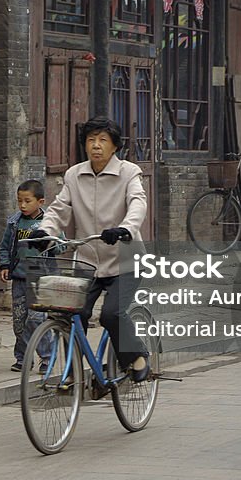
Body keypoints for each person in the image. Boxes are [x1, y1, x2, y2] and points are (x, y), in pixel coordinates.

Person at [30, 116, 151, 382]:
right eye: (91, 140)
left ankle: (137, 354)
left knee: (111, 314)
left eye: (103, 140)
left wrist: (125, 228)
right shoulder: (74, 174)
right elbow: (59, 209)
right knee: (73, 313)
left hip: (125, 260)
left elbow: (138, 203)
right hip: (87, 262)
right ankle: (74, 373)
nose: (96, 145)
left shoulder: (129, 172)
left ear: (115, 146)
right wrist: (45, 230)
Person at [0, 179, 52, 372]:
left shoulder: (49, 223)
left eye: (27, 201)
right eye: (20, 200)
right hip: (20, 279)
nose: (22, 205)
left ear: (40, 201)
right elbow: (5, 246)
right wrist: (4, 265)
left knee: (37, 319)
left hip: (41, 278)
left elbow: (61, 244)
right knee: (19, 321)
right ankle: (22, 358)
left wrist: (50, 243)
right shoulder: (14, 223)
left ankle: (47, 357)